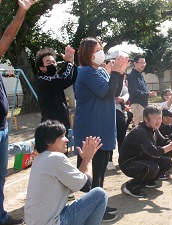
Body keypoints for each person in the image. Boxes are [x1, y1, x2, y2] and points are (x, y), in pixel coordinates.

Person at [74, 37, 129, 222]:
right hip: (92, 128)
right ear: (87, 52)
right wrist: (115, 72)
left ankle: (99, 205)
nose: (100, 52)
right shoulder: (87, 72)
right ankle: (92, 210)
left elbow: (114, 92)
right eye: (96, 49)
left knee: (101, 170)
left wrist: (118, 73)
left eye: (101, 48)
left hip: (103, 127)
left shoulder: (99, 71)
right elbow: (106, 93)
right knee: (94, 171)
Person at [24, 120, 107, 225]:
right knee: (100, 194)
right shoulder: (56, 158)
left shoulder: (40, 158)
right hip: (52, 222)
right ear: (49, 141)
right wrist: (89, 159)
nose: (67, 139)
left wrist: (85, 160)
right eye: (62, 136)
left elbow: (76, 183)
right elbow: (87, 186)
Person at [0, 1, 36, 224]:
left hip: (2, 127)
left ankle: (1, 216)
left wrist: (22, 11)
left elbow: (7, 36)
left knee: (1, 177)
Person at [118, 105, 172, 198]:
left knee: (167, 162)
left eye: (159, 118)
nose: (158, 121)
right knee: (153, 168)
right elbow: (153, 152)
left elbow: (164, 142)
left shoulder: (154, 129)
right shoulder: (140, 132)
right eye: (155, 118)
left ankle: (147, 181)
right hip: (128, 164)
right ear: (146, 119)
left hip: (141, 159)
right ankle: (131, 187)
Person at [35, 46, 77, 156]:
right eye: (48, 62)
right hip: (51, 127)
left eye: (54, 62)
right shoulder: (42, 80)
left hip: (63, 125)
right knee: (53, 158)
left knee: (63, 157)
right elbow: (64, 79)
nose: (53, 64)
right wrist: (68, 63)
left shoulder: (54, 79)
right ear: (41, 67)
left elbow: (71, 78)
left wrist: (71, 62)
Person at [127, 55, 157, 126]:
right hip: (137, 105)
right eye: (141, 63)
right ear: (135, 63)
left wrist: (149, 92)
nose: (143, 65)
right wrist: (148, 94)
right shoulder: (132, 76)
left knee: (146, 126)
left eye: (144, 63)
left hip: (143, 104)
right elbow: (134, 92)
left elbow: (143, 88)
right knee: (140, 127)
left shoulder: (139, 74)